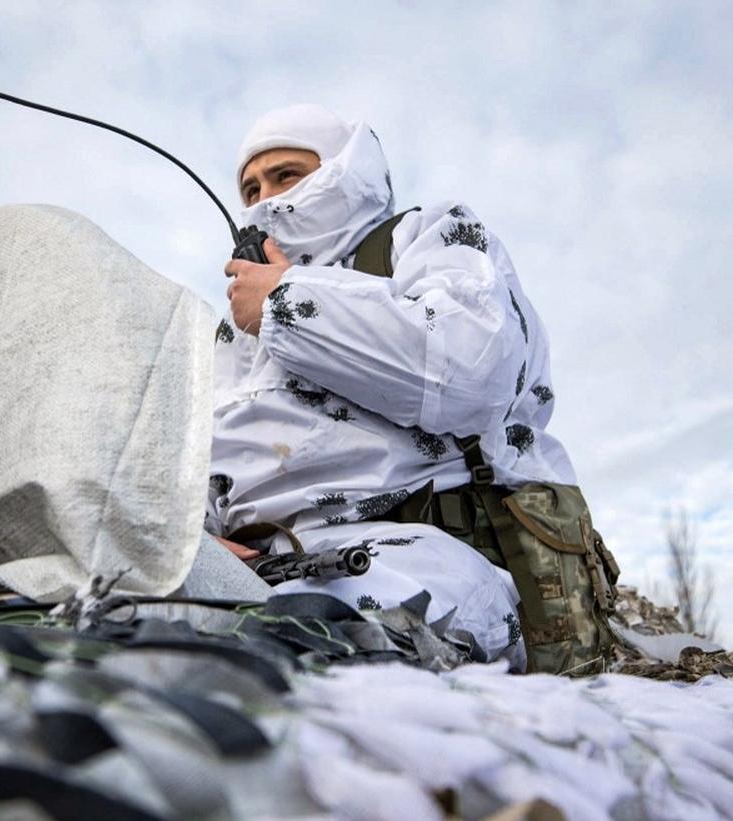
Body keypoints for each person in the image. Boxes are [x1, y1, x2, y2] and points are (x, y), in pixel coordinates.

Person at [205, 104, 580, 669]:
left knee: (329, 639)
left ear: (345, 169)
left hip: (425, 557)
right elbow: (206, 449)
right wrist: (197, 539)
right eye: (250, 188)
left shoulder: (423, 238)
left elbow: (472, 370)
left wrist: (287, 302)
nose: (265, 200)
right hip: (256, 565)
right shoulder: (235, 332)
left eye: (287, 174)